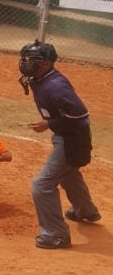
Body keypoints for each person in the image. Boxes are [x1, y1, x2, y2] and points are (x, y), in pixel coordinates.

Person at [18, 41, 101, 249]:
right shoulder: (40, 79)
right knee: (68, 173)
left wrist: (49, 124)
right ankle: (86, 210)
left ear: (46, 63)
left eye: (31, 60)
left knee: (42, 185)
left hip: (73, 138)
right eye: (25, 59)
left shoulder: (56, 86)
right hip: (66, 134)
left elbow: (80, 115)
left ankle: (56, 234)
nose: (25, 63)